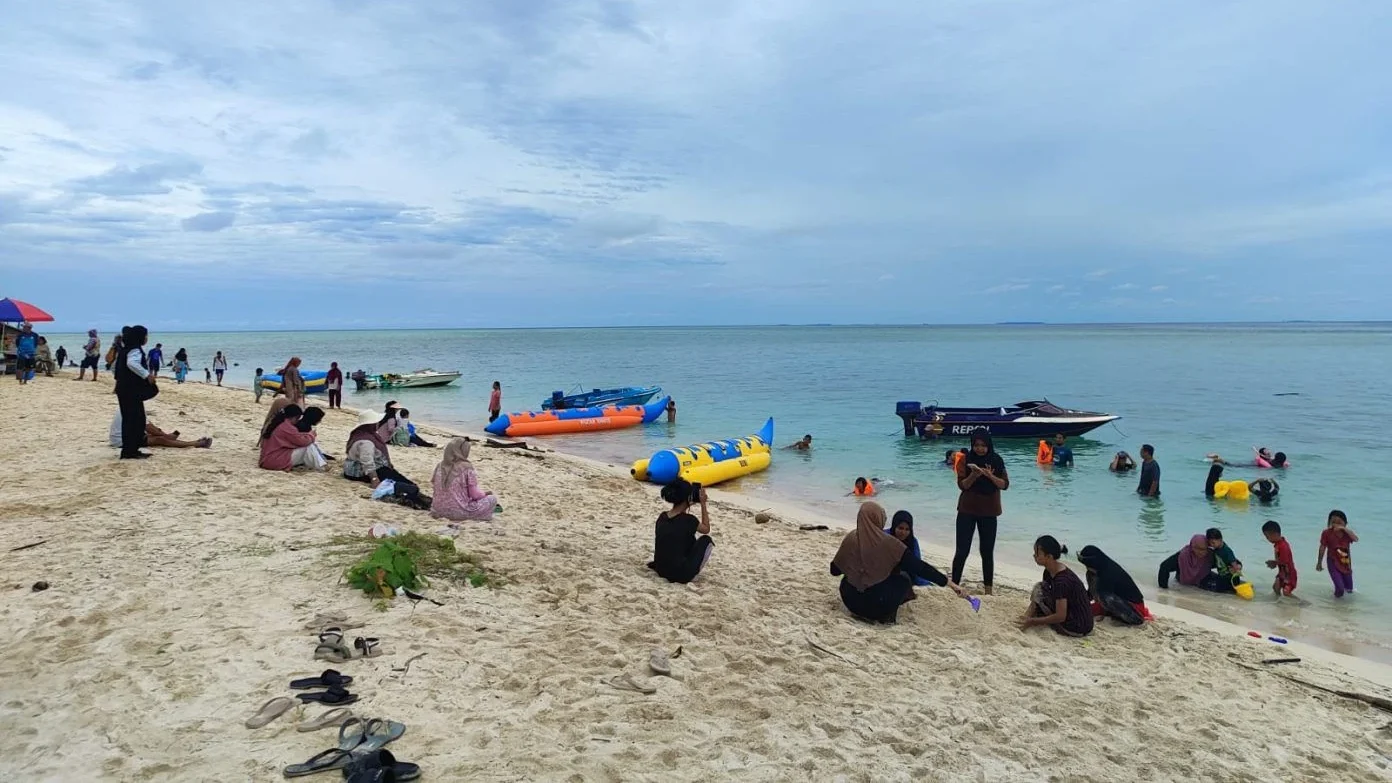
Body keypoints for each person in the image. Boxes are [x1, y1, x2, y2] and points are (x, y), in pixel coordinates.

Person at [831, 502, 968, 623]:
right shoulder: (890, 543)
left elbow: (835, 570)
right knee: (903, 580)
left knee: (848, 578)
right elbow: (919, 567)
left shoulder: (851, 537)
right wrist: (949, 583)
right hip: (875, 607)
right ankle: (888, 617)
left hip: (850, 601)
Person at [952, 428, 1008, 595]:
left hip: (989, 511)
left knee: (987, 551)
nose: (980, 449)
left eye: (983, 445)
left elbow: (1004, 485)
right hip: (967, 509)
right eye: (976, 445)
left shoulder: (997, 460)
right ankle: (954, 585)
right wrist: (974, 475)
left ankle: (988, 590)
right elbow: (962, 485)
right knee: (962, 550)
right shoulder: (965, 460)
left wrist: (990, 476)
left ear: (989, 445)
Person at [343, 410, 429, 509]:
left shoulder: (359, 434)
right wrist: (374, 479)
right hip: (361, 471)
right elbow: (367, 461)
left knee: (399, 478)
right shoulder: (366, 441)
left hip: (352, 468)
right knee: (409, 486)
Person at [1019, 536, 1093, 636]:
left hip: (1077, 627)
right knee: (1041, 588)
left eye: (1037, 554)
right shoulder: (1050, 571)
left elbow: (1060, 616)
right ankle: (1026, 618)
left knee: (1039, 588)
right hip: (1080, 620)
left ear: (1049, 557)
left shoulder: (1061, 581)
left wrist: (1033, 621)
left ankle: (1027, 619)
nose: (1034, 556)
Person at [648, 478, 713, 584]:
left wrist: (687, 502)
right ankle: (694, 572)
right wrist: (703, 504)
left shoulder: (662, 517)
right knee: (706, 540)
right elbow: (706, 529)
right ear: (688, 497)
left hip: (661, 569)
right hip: (680, 575)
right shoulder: (689, 520)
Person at [1076, 545, 1149, 625]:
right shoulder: (1093, 573)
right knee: (1081, 611)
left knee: (1104, 596)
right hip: (1112, 604)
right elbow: (1091, 593)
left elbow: (1105, 597)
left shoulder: (1109, 573)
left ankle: (1133, 620)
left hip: (1134, 609)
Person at [430, 438, 499, 521]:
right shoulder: (466, 467)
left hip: (437, 510)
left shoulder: (439, 465)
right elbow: (475, 495)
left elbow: (434, 486)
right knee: (492, 499)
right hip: (459, 512)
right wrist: (485, 494)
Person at [114, 325, 157, 459]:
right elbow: (132, 364)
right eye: (145, 336)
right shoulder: (134, 350)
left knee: (130, 420)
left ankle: (130, 449)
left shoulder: (124, 349)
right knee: (135, 420)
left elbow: (117, 368)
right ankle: (130, 451)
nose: (146, 338)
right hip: (131, 390)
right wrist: (146, 375)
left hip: (123, 389)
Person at [259, 404, 327, 471]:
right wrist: (311, 435)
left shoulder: (278, 423)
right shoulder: (286, 427)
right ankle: (321, 467)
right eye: (297, 418)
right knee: (309, 446)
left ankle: (320, 464)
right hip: (273, 460)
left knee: (308, 447)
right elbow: (303, 442)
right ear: (293, 417)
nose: (297, 420)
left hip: (268, 458)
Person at [109, 413, 212, 449]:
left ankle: (170, 437)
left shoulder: (126, 404)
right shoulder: (135, 406)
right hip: (122, 440)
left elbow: (147, 425)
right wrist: (164, 435)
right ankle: (194, 443)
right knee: (160, 439)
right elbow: (149, 427)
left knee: (153, 434)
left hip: (120, 437)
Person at [1316, 509, 1357, 598]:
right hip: (1333, 562)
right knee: (1340, 588)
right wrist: (1319, 562)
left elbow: (1355, 539)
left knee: (1349, 590)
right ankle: (1336, 606)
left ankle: (1344, 607)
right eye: (1333, 522)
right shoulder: (1326, 533)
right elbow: (1322, 547)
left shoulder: (1346, 534)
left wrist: (1344, 529)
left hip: (1345, 562)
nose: (1336, 524)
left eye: (1339, 522)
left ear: (1345, 523)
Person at [887, 510, 932, 587]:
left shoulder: (913, 542)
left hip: (904, 576)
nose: (903, 532)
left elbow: (917, 564)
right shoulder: (884, 537)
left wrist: (926, 584)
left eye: (907, 529)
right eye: (900, 528)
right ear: (894, 526)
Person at [1205, 528, 1246, 593]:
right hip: (1222, 576)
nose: (1212, 545)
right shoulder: (1216, 548)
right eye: (1210, 543)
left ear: (1220, 540)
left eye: (1213, 543)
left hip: (1231, 578)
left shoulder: (1227, 551)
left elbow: (1234, 562)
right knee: (1219, 590)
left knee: (1226, 592)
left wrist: (1236, 568)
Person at [1263, 520, 1297, 596]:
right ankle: (1279, 603)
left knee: (1286, 592)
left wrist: (1274, 563)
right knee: (1276, 587)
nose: (1267, 539)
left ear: (1275, 534)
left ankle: (1300, 603)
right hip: (1282, 572)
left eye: (1267, 536)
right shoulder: (1277, 544)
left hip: (1289, 574)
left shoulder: (1283, 546)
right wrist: (1275, 563)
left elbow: (1284, 561)